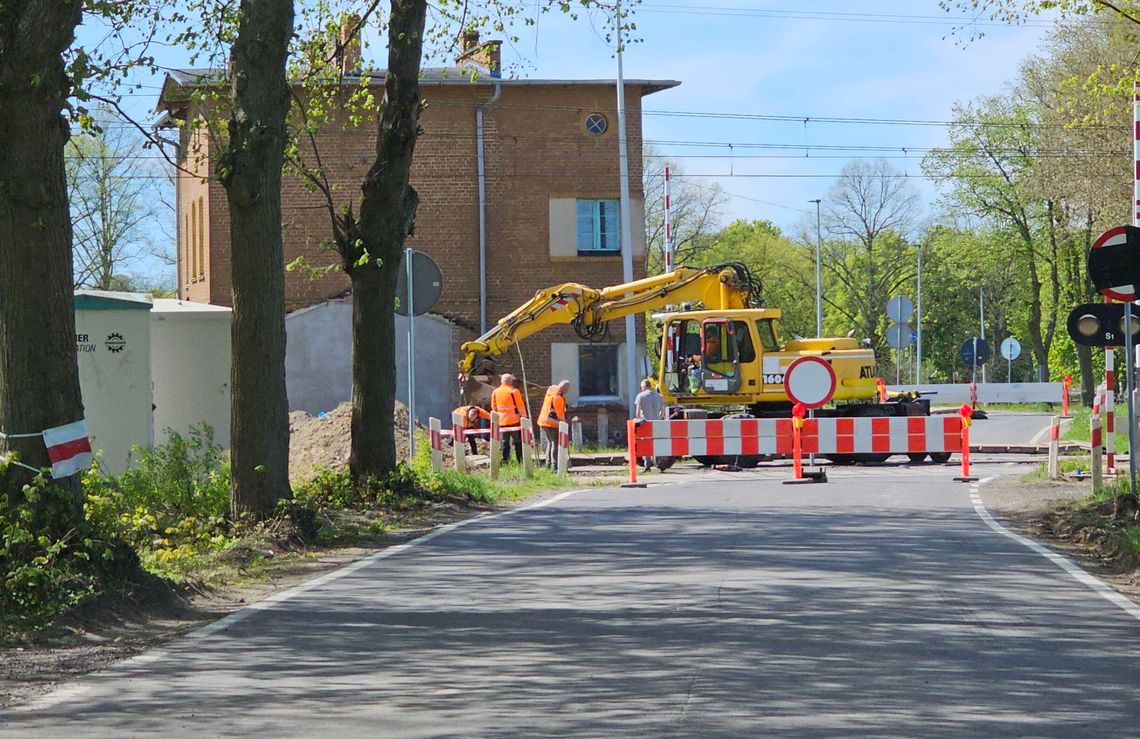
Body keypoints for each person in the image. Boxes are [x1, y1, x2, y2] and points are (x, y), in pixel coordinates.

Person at [491, 373, 527, 463]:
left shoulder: (495, 392)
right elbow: (520, 406)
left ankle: (505, 460)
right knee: (517, 441)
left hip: (502, 422)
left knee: (504, 441)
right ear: (511, 381)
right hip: (514, 421)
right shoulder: (514, 391)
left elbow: (494, 407)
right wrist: (524, 417)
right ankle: (520, 460)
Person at [538, 380, 570, 471]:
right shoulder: (558, 398)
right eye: (567, 389)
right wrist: (565, 425)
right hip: (551, 423)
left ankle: (548, 464)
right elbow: (560, 415)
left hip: (543, 421)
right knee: (555, 442)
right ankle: (554, 466)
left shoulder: (550, 393)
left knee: (550, 442)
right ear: (565, 389)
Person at [634, 378, 665, 472]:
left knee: (646, 444)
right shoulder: (659, 396)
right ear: (650, 386)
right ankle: (660, 464)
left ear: (643, 386)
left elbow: (638, 413)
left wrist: (639, 421)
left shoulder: (640, 396)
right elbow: (663, 411)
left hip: (645, 423)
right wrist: (659, 418)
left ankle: (647, 465)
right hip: (656, 423)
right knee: (657, 443)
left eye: (641, 387)